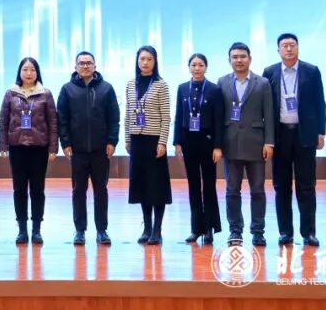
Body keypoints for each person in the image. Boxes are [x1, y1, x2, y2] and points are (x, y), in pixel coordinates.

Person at [262, 33, 326, 247]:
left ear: (298, 48)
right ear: (278, 50)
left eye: (292, 45)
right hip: (280, 135)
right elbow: (265, 107)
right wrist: (266, 138)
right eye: (285, 46)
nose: (289, 49)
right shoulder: (270, 72)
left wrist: (321, 131)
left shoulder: (311, 71)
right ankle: (285, 232)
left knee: (306, 186)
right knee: (281, 187)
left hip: (304, 135)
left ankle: (309, 233)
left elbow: (320, 103)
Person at [57, 51, 120, 246]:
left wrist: (112, 141)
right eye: (81, 63)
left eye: (89, 63)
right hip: (77, 151)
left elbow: (114, 118)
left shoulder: (106, 89)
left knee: (101, 190)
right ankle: (80, 230)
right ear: (75, 67)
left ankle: (102, 230)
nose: (85, 66)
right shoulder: (67, 90)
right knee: (78, 191)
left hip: (101, 150)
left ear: (95, 66)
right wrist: (65, 143)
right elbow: (62, 120)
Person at [217, 42, 274, 247]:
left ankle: (258, 231)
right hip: (230, 144)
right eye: (235, 57)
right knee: (232, 190)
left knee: (257, 190)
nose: (238, 60)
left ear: (250, 59)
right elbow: (218, 115)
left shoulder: (262, 83)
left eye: (242, 56)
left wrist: (269, 142)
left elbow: (269, 114)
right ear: (229, 60)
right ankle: (235, 230)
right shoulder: (222, 82)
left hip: (256, 144)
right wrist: (217, 143)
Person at [0, 57, 57, 245]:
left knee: (38, 190)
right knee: (19, 189)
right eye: (25, 69)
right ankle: (22, 230)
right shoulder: (11, 93)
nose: (29, 73)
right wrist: (2, 144)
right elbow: (3, 120)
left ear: (37, 72)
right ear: (19, 72)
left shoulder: (45, 94)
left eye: (32, 69)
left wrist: (53, 148)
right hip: (17, 147)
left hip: (39, 148)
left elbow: (53, 122)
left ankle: (36, 230)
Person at [172, 53, 224, 245]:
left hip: (208, 142)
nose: (197, 68)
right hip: (188, 142)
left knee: (208, 186)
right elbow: (179, 116)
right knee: (193, 186)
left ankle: (209, 229)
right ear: (189, 68)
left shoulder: (214, 89)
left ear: (205, 67)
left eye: (200, 65)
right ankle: (196, 228)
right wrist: (177, 142)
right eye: (193, 65)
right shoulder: (182, 88)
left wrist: (218, 146)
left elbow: (219, 120)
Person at [124, 45, 172, 245]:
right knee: (142, 185)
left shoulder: (161, 85)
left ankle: (157, 230)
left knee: (156, 186)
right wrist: (127, 139)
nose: (145, 63)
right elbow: (128, 113)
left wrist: (162, 142)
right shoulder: (130, 84)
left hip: (154, 141)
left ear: (155, 61)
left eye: (149, 59)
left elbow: (166, 117)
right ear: (137, 61)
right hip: (136, 140)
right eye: (142, 59)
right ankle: (147, 228)